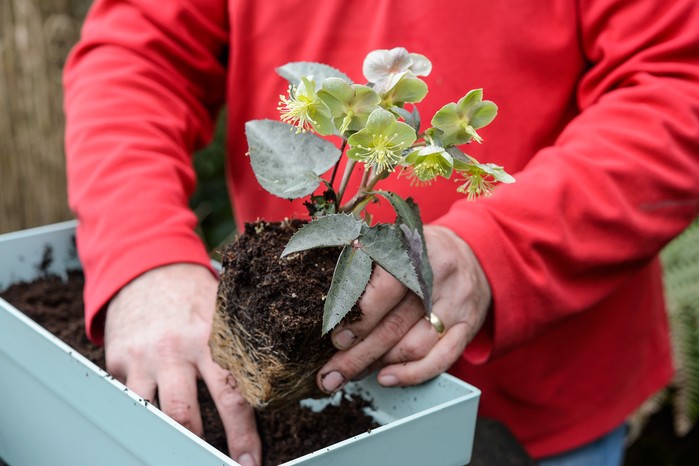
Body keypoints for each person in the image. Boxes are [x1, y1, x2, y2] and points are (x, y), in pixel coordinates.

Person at [63, 1, 699, 466]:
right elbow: (141, 50)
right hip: (288, 391)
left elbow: (677, 86)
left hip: (546, 398)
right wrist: (143, 251)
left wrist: (497, 248)